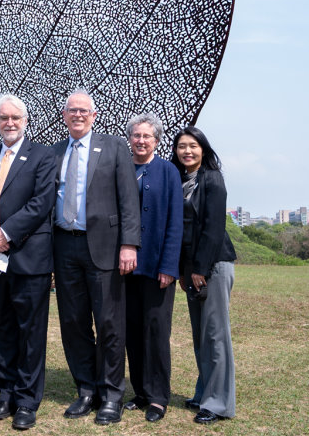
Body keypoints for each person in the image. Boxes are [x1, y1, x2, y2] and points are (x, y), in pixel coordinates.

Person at [0, 93, 58, 431]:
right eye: (4, 118)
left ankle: (26, 400)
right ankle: (5, 393)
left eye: (15, 118)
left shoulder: (43, 156)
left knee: (30, 331)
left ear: (24, 120)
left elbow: (42, 202)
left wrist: (7, 232)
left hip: (29, 257)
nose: (9, 123)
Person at [51, 90, 141, 425]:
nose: (77, 115)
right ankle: (86, 390)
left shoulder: (114, 147)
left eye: (83, 110)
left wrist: (129, 244)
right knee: (73, 323)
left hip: (105, 248)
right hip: (65, 246)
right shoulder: (56, 152)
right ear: (64, 115)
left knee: (108, 324)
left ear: (94, 115)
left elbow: (128, 199)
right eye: (71, 110)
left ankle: (111, 395)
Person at [172, 126, 236, 425]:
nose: (187, 151)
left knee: (215, 336)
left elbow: (212, 228)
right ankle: (203, 394)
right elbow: (182, 232)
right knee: (200, 336)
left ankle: (219, 404)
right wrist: (184, 271)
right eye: (182, 146)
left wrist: (200, 269)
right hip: (192, 270)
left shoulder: (212, 179)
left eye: (193, 146)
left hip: (213, 266)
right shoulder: (181, 181)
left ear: (203, 149)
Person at [122, 113, 183, 422]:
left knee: (156, 331)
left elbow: (175, 222)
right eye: (136, 135)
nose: (141, 140)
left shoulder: (168, 171)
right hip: (126, 267)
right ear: (129, 139)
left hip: (158, 266)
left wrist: (170, 266)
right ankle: (141, 391)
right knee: (132, 331)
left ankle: (158, 397)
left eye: (147, 136)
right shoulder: (122, 169)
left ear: (156, 140)